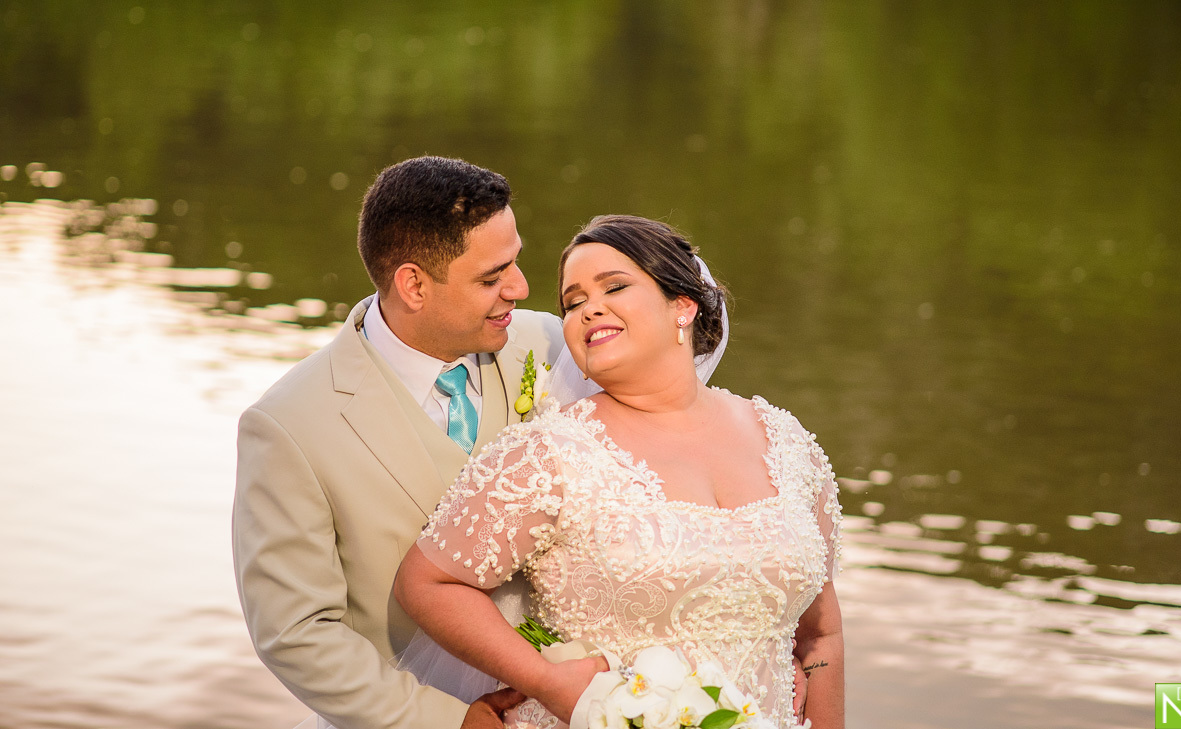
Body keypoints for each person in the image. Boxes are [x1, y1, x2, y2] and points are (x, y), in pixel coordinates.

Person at [395, 215, 845, 729]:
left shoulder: (787, 444)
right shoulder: (546, 453)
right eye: (573, 302)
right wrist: (546, 681)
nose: (589, 309)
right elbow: (428, 583)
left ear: (683, 306)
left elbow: (820, 637)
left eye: (614, 287)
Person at [233, 156, 563, 729]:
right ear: (413, 285)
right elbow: (296, 632)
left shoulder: (550, 344)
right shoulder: (287, 425)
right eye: (492, 277)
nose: (521, 287)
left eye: (515, 260)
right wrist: (449, 722)